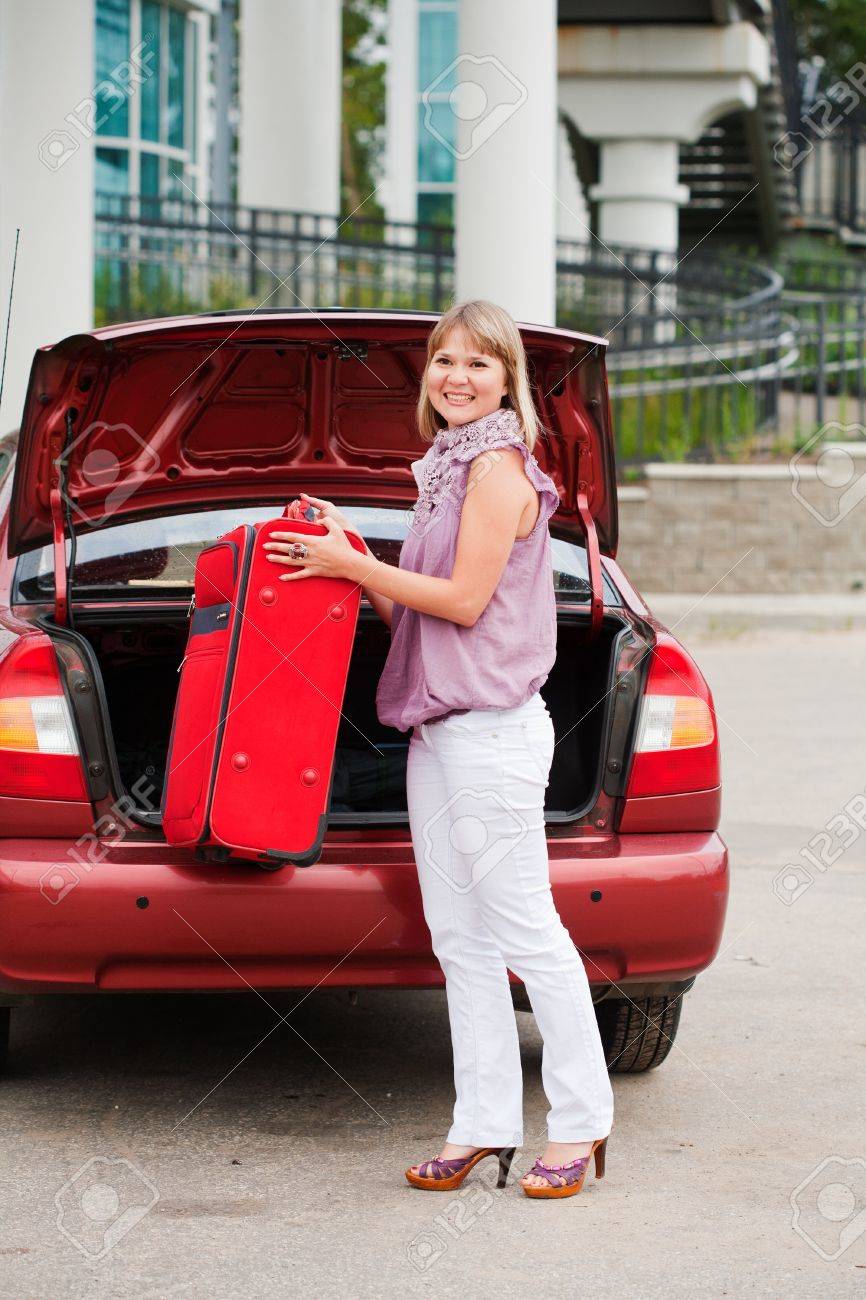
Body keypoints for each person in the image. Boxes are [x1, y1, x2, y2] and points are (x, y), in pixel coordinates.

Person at [266, 299, 614, 1199]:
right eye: (444, 361)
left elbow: (462, 601)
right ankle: (483, 1123)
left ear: (507, 380)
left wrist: (355, 565)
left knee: (528, 933)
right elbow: (418, 619)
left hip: (494, 735)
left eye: (478, 363)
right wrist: (352, 553)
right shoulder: (446, 470)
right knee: (459, 939)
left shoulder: (497, 471)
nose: (457, 377)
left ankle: (580, 1122)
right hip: (438, 732)